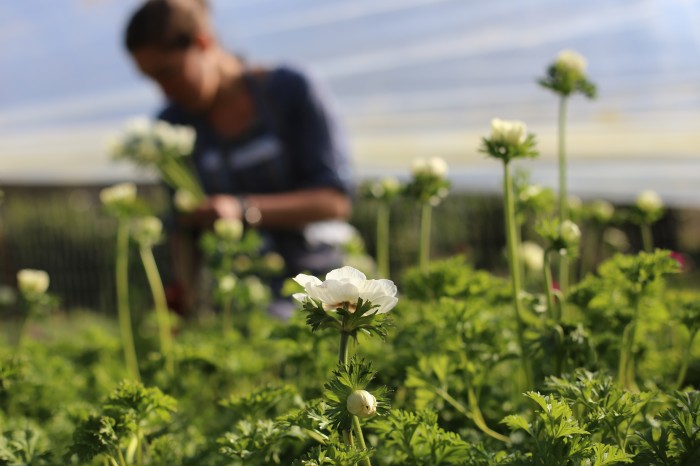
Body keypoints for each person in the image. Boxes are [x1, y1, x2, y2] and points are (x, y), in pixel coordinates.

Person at [124, 0, 354, 319]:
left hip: (322, 286)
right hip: (236, 301)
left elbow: (334, 202)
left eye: (169, 73)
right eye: (153, 80)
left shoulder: (289, 90)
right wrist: (187, 303)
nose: (165, 91)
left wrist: (242, 210)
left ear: (203, 42)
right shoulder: (171, 125)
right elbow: (183, 228)